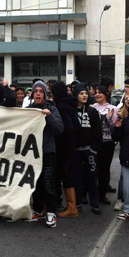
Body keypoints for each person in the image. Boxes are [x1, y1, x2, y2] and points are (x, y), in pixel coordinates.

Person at [27, 82, 63, 227]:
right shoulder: (28, 110)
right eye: (35, 91)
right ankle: (38, 209)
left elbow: (60, 129)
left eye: (41, 91)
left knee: (48, 183)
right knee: (35, 183)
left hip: (47, 152)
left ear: (45, 94)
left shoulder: (52, 109)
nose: (37, 94)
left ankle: (51, 212)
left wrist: (48, 116)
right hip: (32, 153)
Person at [72, 83, 101, 214]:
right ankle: (77, 203)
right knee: (76, 178)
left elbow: (97, 130)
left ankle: (95, 204)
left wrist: (94, 148)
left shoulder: (92, 111)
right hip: (75, 151)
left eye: (85, 93)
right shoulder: (71, 110)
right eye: (81, 93)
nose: (84, 96)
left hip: (89, 150)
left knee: (92, 178)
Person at [51, 82, 80, 218]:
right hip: (70, 144)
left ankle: (71, 207)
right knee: (64, 174)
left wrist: (58, 133)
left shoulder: (62, 106)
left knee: (64, 174)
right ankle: (70, 205)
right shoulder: (70, 104)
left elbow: (67, 127)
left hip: (63, 146)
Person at [93, 86, 118, 204]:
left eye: (100, 93)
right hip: (95, 142)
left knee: (104, 169)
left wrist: (109, 118)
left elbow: (115, 127)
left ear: (105, 94)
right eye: (96, 93)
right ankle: (92, 193)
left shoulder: (113, 108)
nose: (97, 95)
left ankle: (102, 195)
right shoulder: (92, 108)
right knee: (94, 169)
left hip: (108, 143)